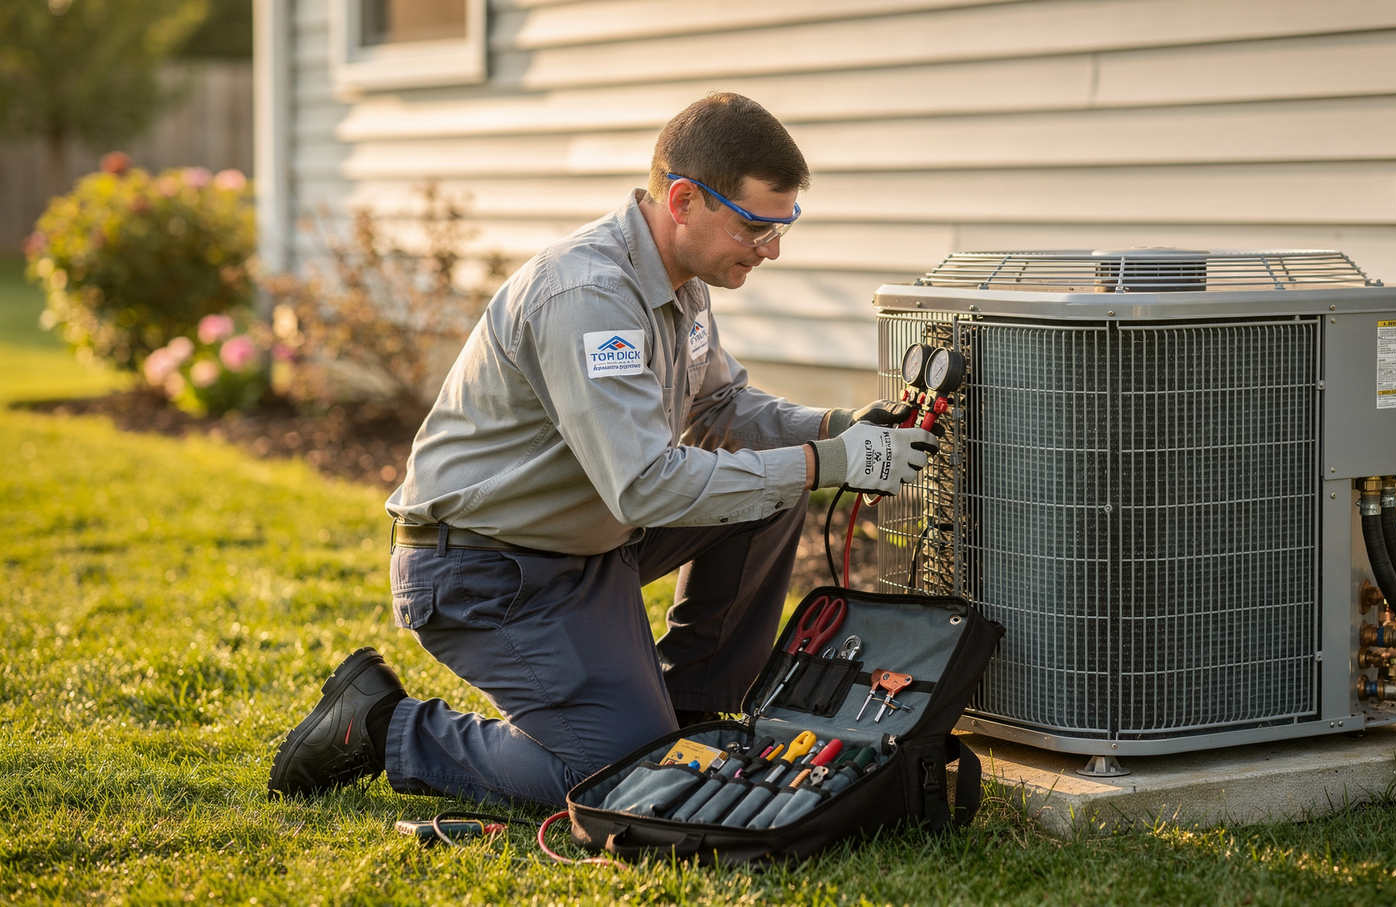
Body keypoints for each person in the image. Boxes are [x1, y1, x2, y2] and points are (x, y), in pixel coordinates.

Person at [267, 93, 937, 807]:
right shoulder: (588, 296)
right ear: (684, 199)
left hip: (581, 541)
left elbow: (721, 408)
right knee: (609, 774)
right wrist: (825, 464)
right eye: (756, 225)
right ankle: (383, 723)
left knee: (769, 490)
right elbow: (646, 485)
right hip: (485, 569)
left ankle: (690, 716)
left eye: (785, 224)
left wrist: (834, 427)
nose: (773, 248)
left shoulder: (683, 282)